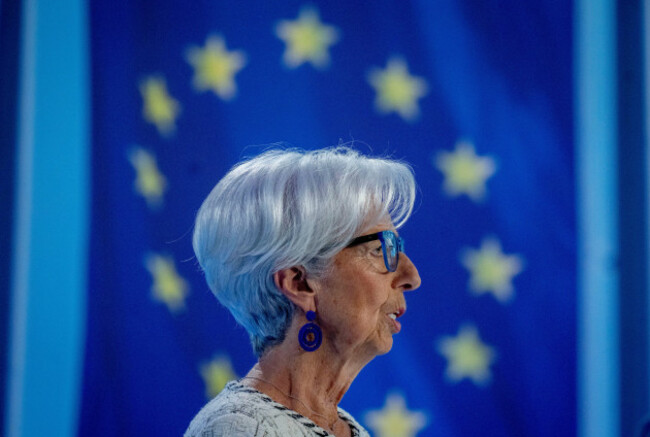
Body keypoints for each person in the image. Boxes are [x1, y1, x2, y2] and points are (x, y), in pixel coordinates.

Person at [185, 146, 422, 437]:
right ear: (299, 283)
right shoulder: (241, 429)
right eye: (378, 250)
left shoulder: (344, 428)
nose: (412, 277)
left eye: (397, 249)